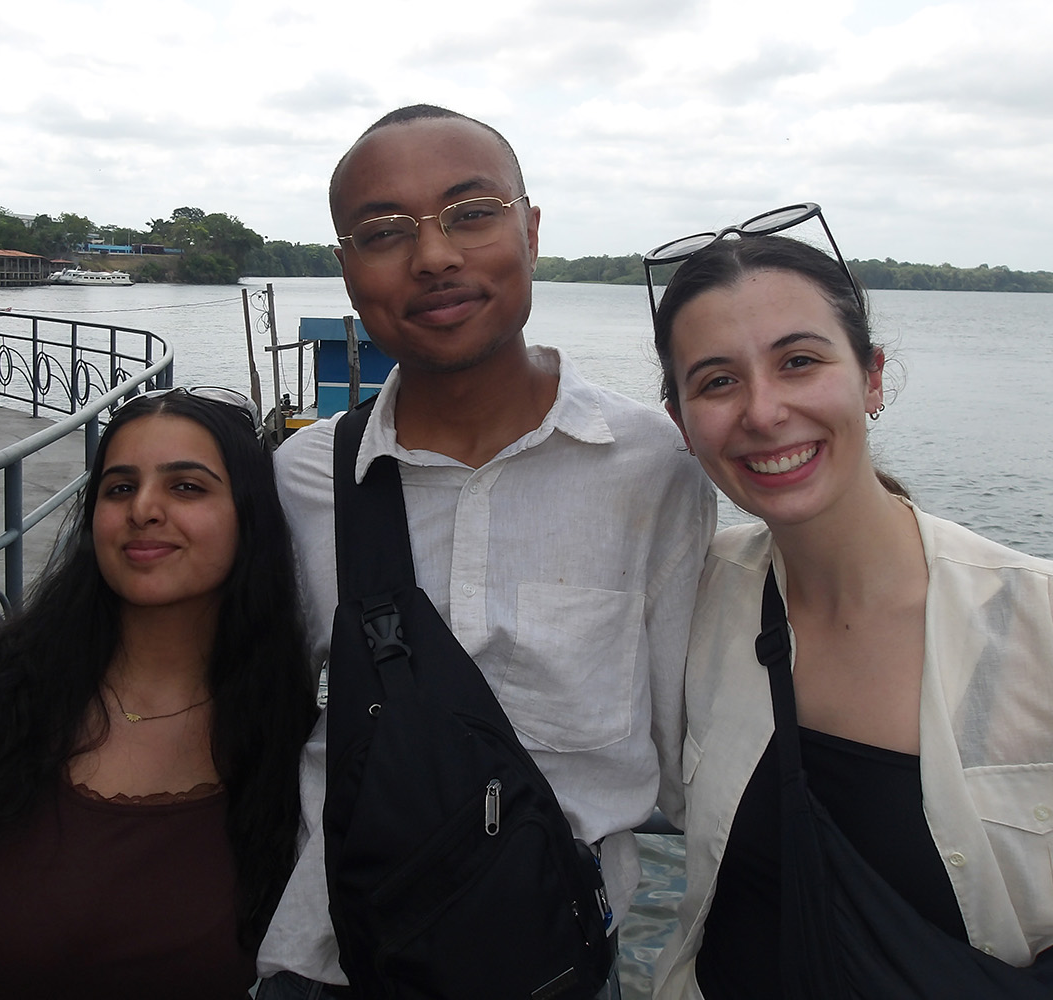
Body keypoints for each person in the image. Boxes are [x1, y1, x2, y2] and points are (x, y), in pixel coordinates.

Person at [646, 208, 1053, 999]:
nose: (764, 411)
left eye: (799, 362)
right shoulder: (696, 600)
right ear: (681, 423)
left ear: (872, 377)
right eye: (717, 382)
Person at [256, 105, 716, 998]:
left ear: (531, 231)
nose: (433, 257)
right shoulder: (304, 479)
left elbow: (691, 743)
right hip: (331, 962)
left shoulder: (652, 469)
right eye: (384, 233)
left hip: (550, 957)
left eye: (471, 214)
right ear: (347, 268)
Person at [0, 388, 317, 999]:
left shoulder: (296, 746)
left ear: (248, 517)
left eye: (186, 487)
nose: (143, 509)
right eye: (119, 488)